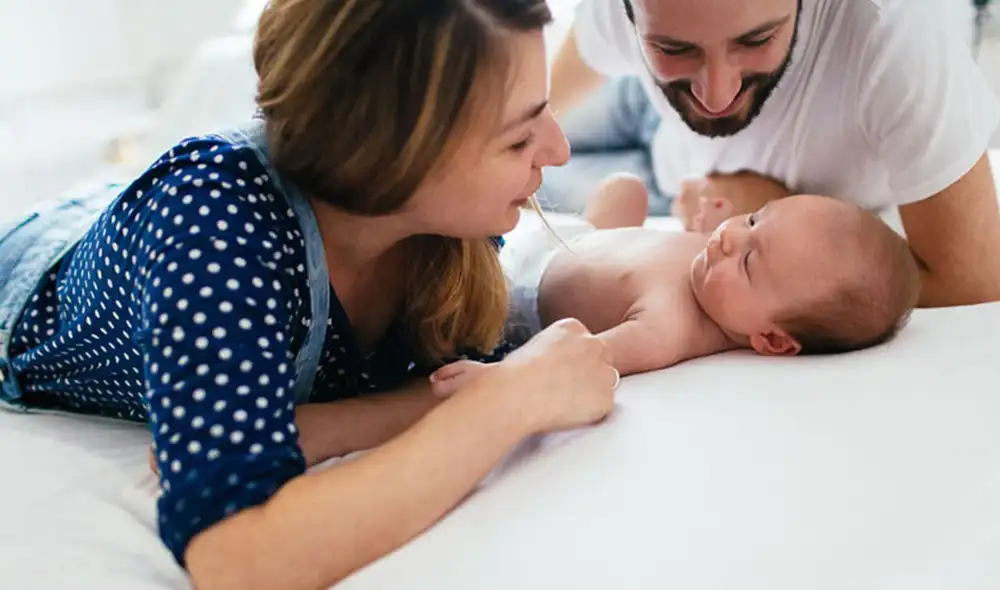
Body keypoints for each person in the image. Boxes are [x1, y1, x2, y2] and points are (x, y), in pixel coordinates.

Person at [0, 2, 622, 588]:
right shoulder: (214, 223)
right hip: (31, 266)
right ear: (388, 152)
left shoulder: (448, 228)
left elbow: (448, 377)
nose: (559, 150)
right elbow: (235, 557)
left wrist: (345, 423)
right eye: (516, 140)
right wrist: (505, 404)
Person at [545, 0, 1000, 308]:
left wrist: (778, 210)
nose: (717, 97)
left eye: (756, 40)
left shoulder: (897, 35)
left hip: (675, 198)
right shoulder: (619, 13)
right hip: (649, 117)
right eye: (672, 47)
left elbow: (974, 280)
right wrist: (526, 126)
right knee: (498, 149)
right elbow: (556, 84)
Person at [432, 174, 920, 387]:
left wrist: (498, 378)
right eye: (754, 220)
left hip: (515, 280)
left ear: (771, 338)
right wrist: (702, 227)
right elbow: (689, 247)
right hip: (575, 239)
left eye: (749, 262)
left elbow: (576, 354)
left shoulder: (668, 329)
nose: (729, 239)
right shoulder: (715, 266)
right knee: (627, 188)